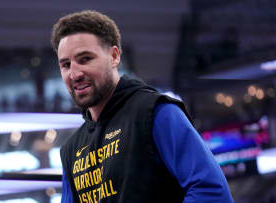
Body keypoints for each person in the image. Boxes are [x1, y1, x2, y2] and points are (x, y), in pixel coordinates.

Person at [51, 10, 234, 203]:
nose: (74, 73)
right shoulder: (71, 150)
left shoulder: (156, 113)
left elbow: (212, 192)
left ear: (114, 56)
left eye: (85, 59)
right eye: (65, 65)